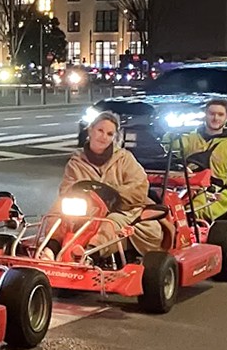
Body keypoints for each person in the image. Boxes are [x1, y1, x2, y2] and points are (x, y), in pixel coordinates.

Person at [39, 111, 166, 260]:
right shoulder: (76, 162)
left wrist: (113, 195)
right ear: (91, 130)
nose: (103, 137)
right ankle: (51, 250)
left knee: (111, 222)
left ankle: (90, 254)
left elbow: (139, 187)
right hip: (86, 211)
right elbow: (67, 189)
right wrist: (88, 197)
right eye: (100, 131)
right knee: (59, 209)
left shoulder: (124, 159)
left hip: (123, 210)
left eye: (109, 134)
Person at [166, 98, 227, 221]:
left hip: (216, 190)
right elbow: (168, 146)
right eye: (212, 114)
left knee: (190, 211)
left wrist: (225, 190)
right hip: (185, 186)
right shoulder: (190, 139)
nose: (215, 118)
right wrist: (172, 131)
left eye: (220, 114)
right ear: (205, 115)